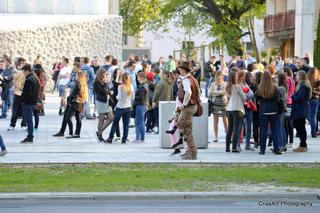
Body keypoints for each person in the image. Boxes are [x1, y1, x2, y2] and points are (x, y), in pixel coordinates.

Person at [176, 61, 199, 160]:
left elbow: (188, 93)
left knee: (186, 129)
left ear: (184, 70)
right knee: (186, 129)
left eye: (181, 68)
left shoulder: (186, 80)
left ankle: (192, 153)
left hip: (188, 107)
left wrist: (183, 105)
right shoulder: (192, 79)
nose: (179, 70)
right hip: (192, 106)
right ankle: (189, 151)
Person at [53, 72, 88, 139]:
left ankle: (71, 133)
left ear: (79, 77)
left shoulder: (78, 84)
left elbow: (72, 94)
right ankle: (77, 133)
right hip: (81, 103)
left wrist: (68, 100)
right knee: (78, 118)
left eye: (77, 76)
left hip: (75, 102)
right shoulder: (84, 84)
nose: (76, 77)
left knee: (68, 118)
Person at [256, 71, 282, 155]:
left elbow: (257, 98)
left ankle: (262, 150)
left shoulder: (260, 87)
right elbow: (278, 97)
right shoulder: (274, 87)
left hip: (263, 110)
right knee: (274, 130)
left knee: (264, 130)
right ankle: (276, 149)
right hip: (274, 110)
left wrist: (262, 101)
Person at [105, 72, 135, 144]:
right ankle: (124, 139)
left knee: (115, 123)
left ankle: (110, 138)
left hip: (120, 107)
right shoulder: (131, 86)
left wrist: (115, 97)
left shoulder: (120, 87)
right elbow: (132, 98)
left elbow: (119, 97)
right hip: (128, 107)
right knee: (126, 124)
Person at [225, 70, 247, 153]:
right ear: (234, 77)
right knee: (236, 129)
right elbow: (244, 97)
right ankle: (234, 147)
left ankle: (227, 147)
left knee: (230, 129)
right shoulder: (237, 86)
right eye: (236, 76)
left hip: (229, 109)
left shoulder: (228, 87)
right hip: (237, 109)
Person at [291, 71, 312, 152]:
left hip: (300, 109)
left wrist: (293, 96)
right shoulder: (302, 85)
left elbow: (300, 98)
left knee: (300, 127)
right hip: (301, 108)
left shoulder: (303, 86)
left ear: (301, 76)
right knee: (299, 126)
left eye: (297, 75)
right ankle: (302, 144)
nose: (296, 76)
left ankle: (303, 145)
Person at [20, 64, 40, 143]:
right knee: (30, 120)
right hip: (33, 102)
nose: (23, 74)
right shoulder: (35, 78)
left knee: (29, 121)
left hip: (28, 103)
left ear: (27, 71)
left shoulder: (28, 80)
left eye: (24, 72)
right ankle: (30, 136)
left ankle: (30, 137)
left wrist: (23, 101)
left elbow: (27, 93)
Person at [93, 70, 114, 142]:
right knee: (101, 119)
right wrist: (107, 89)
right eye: (105, 74)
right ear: (101, 74)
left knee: (111, 117)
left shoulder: (104, 82)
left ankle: (99, 132)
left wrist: (109, 90)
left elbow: (106, 90)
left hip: (107, 102)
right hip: (101, 102)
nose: (105, 76)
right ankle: (100, 135)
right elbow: (101, 91)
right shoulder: (96, 83)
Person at [208, 71, 228, 143]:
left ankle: (228, 136)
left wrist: (215, 92)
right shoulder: (213, 83)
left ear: (222, 76)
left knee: (225, 120)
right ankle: (216, 137)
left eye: (220, 75)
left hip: (223, 103)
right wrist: (218, 93)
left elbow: (224, 92)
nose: (219, 77)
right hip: (215, 104)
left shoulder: (225, 84)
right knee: (215, 120)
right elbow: (209, 93)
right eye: (218, 76)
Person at [8, 57, 26, 131]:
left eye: (24, 63)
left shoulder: (25, 71)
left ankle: (23, 124)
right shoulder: (16, 71)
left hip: (24, 93)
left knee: (24, 110)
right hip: (17, 93)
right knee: (15, 110)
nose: (24, 64)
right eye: (22, 63)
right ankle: (12, 124)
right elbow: (14, 82)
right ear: (19, 63)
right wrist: (21, 88)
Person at [134, 72, 149, 143]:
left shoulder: (143, 86)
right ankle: (139, 138)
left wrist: (133, 96)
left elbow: (141, 97)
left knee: (139, 122)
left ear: (142, 78)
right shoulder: (145, 85)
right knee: (139, 122)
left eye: (138, 77)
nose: (137, 79)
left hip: (141, 105)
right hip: (143, 105)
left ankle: (140, 138)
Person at [283, 67, 295, 147]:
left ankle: (287, 141)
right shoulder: (293, 80)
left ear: (286, 73)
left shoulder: (287, 81)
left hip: (287, 101)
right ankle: (291, 141)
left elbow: (286, 92)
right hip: (291, 101)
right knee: (290, 122)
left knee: (286, 123)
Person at [307, 68, 319, 138]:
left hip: (308, 99)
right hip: (316, 99)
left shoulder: (308, 80)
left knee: (311, 116)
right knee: (314, 116)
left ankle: (314, 131)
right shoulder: (318, 81)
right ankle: (314, 132)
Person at [277, 73, 288, 152]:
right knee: (282, 127)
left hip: (280, 109)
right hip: (283, 108)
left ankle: (281, 145)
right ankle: (283, 144)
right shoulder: (284, 87)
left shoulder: (280, 88)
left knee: (280, 127)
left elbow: (279, 99)